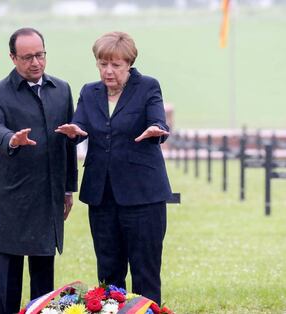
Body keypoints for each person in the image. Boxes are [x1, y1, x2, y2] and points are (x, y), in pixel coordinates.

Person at [56, 31, 172, 305]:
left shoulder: (148, 87)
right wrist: (75, 131)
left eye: (115, 65)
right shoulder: (89, 91)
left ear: (129, 64)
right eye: (102, 64)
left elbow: (159, 122)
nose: (108, 71)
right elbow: (81, 124)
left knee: (145, 271)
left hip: (143, 195)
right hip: (102, 195)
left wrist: (158, 130)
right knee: (108, 271)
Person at [0, 27, 78, 314]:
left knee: (44, 279)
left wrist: (68, 188)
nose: (35, 63)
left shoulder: (61, 90)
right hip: (13, 198)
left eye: (40, 55)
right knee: (8, 275)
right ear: (12, 58)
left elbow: (68, 144)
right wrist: (11, 138)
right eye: (27, 57)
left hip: (49, 196)